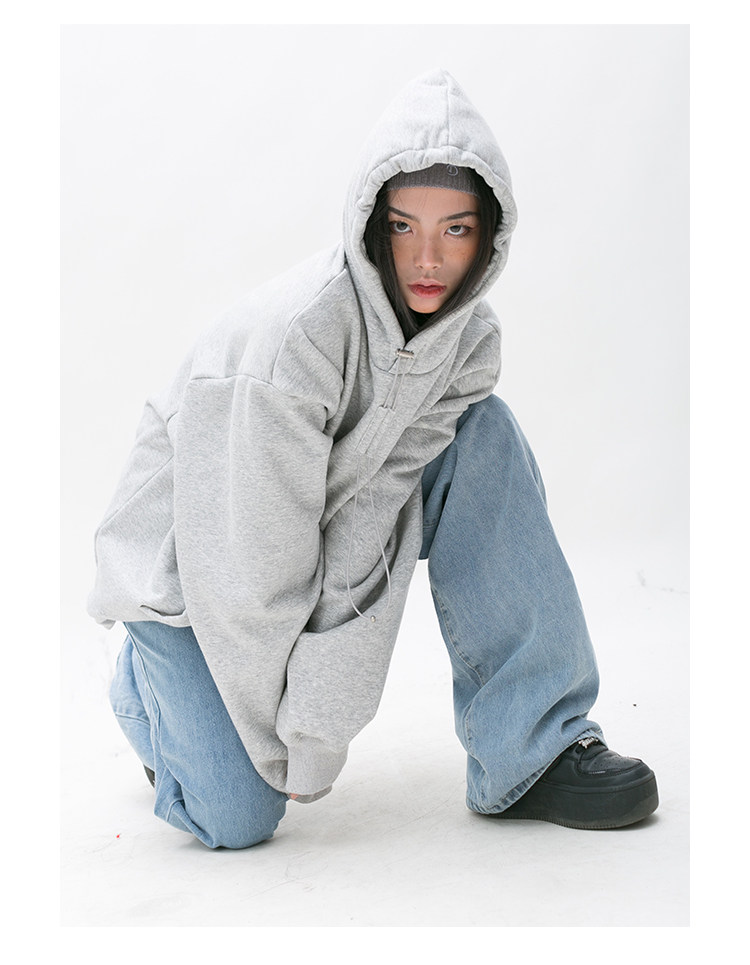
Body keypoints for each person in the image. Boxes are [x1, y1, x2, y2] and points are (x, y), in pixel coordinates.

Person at [89, 69, 658, 850]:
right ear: (371, 224)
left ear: (489, 235)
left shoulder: (468, 347)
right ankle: (142, 688)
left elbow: (369, 516)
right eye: (403, 226)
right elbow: (252, 572)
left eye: (455, 229)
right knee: (236, 816)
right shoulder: (300, 340)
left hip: (302, 537)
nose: (427, 257)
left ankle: (534, 746)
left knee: (483, 433)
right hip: (194, 567)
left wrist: (317, 726)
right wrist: (291, 741)